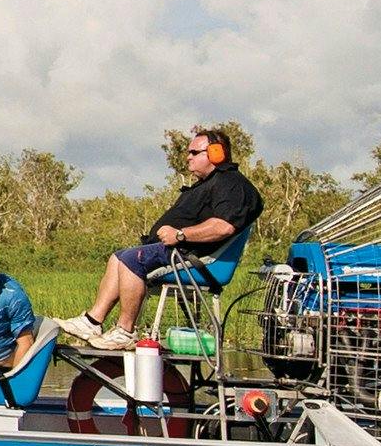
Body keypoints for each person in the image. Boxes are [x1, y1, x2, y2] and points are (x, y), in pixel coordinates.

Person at [85, 126, 263, 330]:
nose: (188, 157)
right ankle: (92, 321)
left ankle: (124, 330)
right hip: (178, 252)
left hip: (197, 260)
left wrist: (179, 234)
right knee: (118, 257)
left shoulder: (232, 184)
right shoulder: (208, 183)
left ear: (216, 153)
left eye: (194, 152)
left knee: (133, 259)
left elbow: (223, 226)